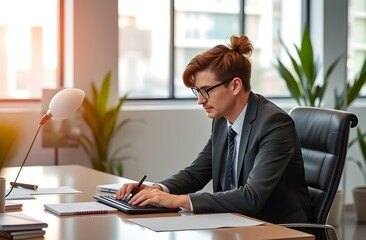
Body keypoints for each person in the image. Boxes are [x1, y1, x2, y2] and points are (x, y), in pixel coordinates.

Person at [116, 34, 312, 224]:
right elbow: (196, 173)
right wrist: (156, 190)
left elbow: (252, 197)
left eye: (206, 91)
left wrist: (177, 201)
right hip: (234, 223)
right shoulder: (221, 120)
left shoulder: (274, 123)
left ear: (235, 85)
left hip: (276, 229)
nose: (200, 100)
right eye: (198, 91)